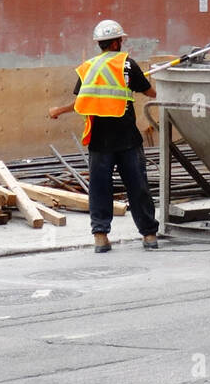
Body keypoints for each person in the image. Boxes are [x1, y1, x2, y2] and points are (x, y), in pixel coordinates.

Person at [48, 19, 160, 253]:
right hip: (127, 137)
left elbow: (81, 101)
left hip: (99, 139)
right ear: (118, 42)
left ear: (99, 44)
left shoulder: (88, 67)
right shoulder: (127, 64)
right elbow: (149, 92)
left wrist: (58, 110)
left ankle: (100, 236)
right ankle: (149, 234)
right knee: (138, 186)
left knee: (99, 188)